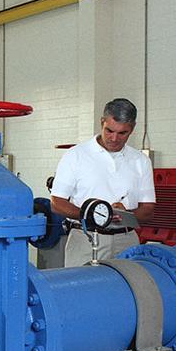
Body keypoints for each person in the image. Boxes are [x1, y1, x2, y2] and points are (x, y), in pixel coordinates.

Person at [50, 98, 155, 267]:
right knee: (82, 291)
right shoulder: (75, 155)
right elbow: (56, 203)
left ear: (132, 129)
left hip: (127, 240)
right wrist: (92, 215)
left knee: (128, 291)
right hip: (86, 238)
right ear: (102, 122)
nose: (114, 138)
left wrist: (127, 214)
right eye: (109, 130)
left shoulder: (141, 161)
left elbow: (148, 209)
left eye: (122, 133)